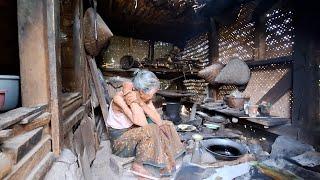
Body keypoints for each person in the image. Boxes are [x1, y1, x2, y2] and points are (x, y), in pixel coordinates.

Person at [106, 69, 185, 177]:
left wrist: (141, 103)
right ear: (142, 92)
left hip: (133, 132)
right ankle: (138, 166)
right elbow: (142, 123)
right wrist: (136, 101)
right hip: (120, 142)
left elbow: (159, 120)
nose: (152, 97)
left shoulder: (141, 97)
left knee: (167, 124)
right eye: (152, 94)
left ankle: (168, 158)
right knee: (150, 129)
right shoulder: (120, 98)